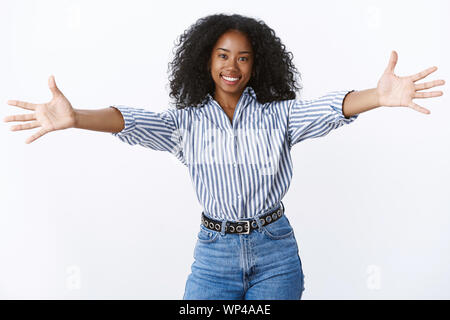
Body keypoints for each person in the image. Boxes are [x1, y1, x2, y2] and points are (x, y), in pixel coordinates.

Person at [4, 14, 445, 300]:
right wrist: (76, 116)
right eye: (222, 55)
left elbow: (331, 108)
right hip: (213, 255)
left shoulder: (281, 117)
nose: (232, 66)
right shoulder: (186, 124)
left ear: (257, 65)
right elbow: (130, 121)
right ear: (206, 60)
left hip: (276, 252)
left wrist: (378, 96)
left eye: (243, 58)